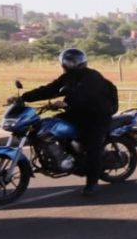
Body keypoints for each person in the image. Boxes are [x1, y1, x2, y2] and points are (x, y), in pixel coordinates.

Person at [11, 48, 118, 196]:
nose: (69, 64)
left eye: (72, 61)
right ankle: (63, 156)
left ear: (81, 62)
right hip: (76, 113)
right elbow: (49, 89)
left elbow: (85, 95)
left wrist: (67, 103)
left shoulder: (92, 77)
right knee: (49, 126)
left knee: (91, 146)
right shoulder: (67, 77)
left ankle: (92, 183)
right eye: (67, 61)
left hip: (96, 116)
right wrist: (23, 98)